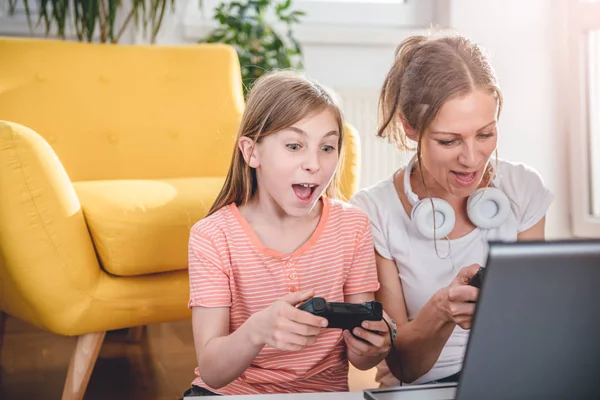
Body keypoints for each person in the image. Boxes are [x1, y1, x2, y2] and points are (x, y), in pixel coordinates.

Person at [350, 33, 554, 386]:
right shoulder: (373, 211)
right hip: (423, 387)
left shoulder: (524, 190)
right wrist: (442, 309)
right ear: (410, 128)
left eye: (485, 134)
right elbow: (402, 366)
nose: (471, 158)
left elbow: (533, 324)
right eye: (449, 141)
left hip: (510, 379)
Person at [183, 70, 393, 397]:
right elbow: (212, 369)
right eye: (294, 145)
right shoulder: (212, 236)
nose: (314, 163)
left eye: (328, 147)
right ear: (251, 152)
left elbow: (361, 358)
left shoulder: (353, 227)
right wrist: (257, 331)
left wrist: (373, 348)